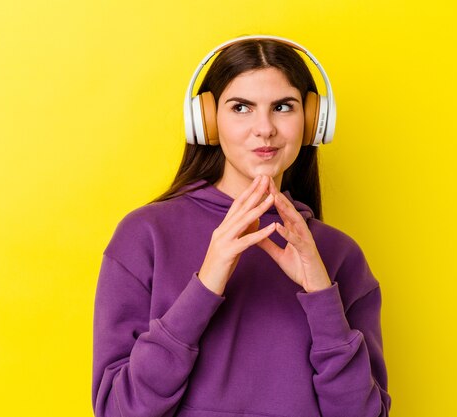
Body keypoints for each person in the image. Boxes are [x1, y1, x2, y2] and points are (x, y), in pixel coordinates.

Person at [92, 35, 391, 417]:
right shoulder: (144, 236)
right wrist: (205, 285)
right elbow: (120, 411)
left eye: (283, 107)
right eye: (241, 108)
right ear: (207, 121)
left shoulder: (339, 256)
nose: (264, 128)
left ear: (314, 121)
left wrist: (320, 293)